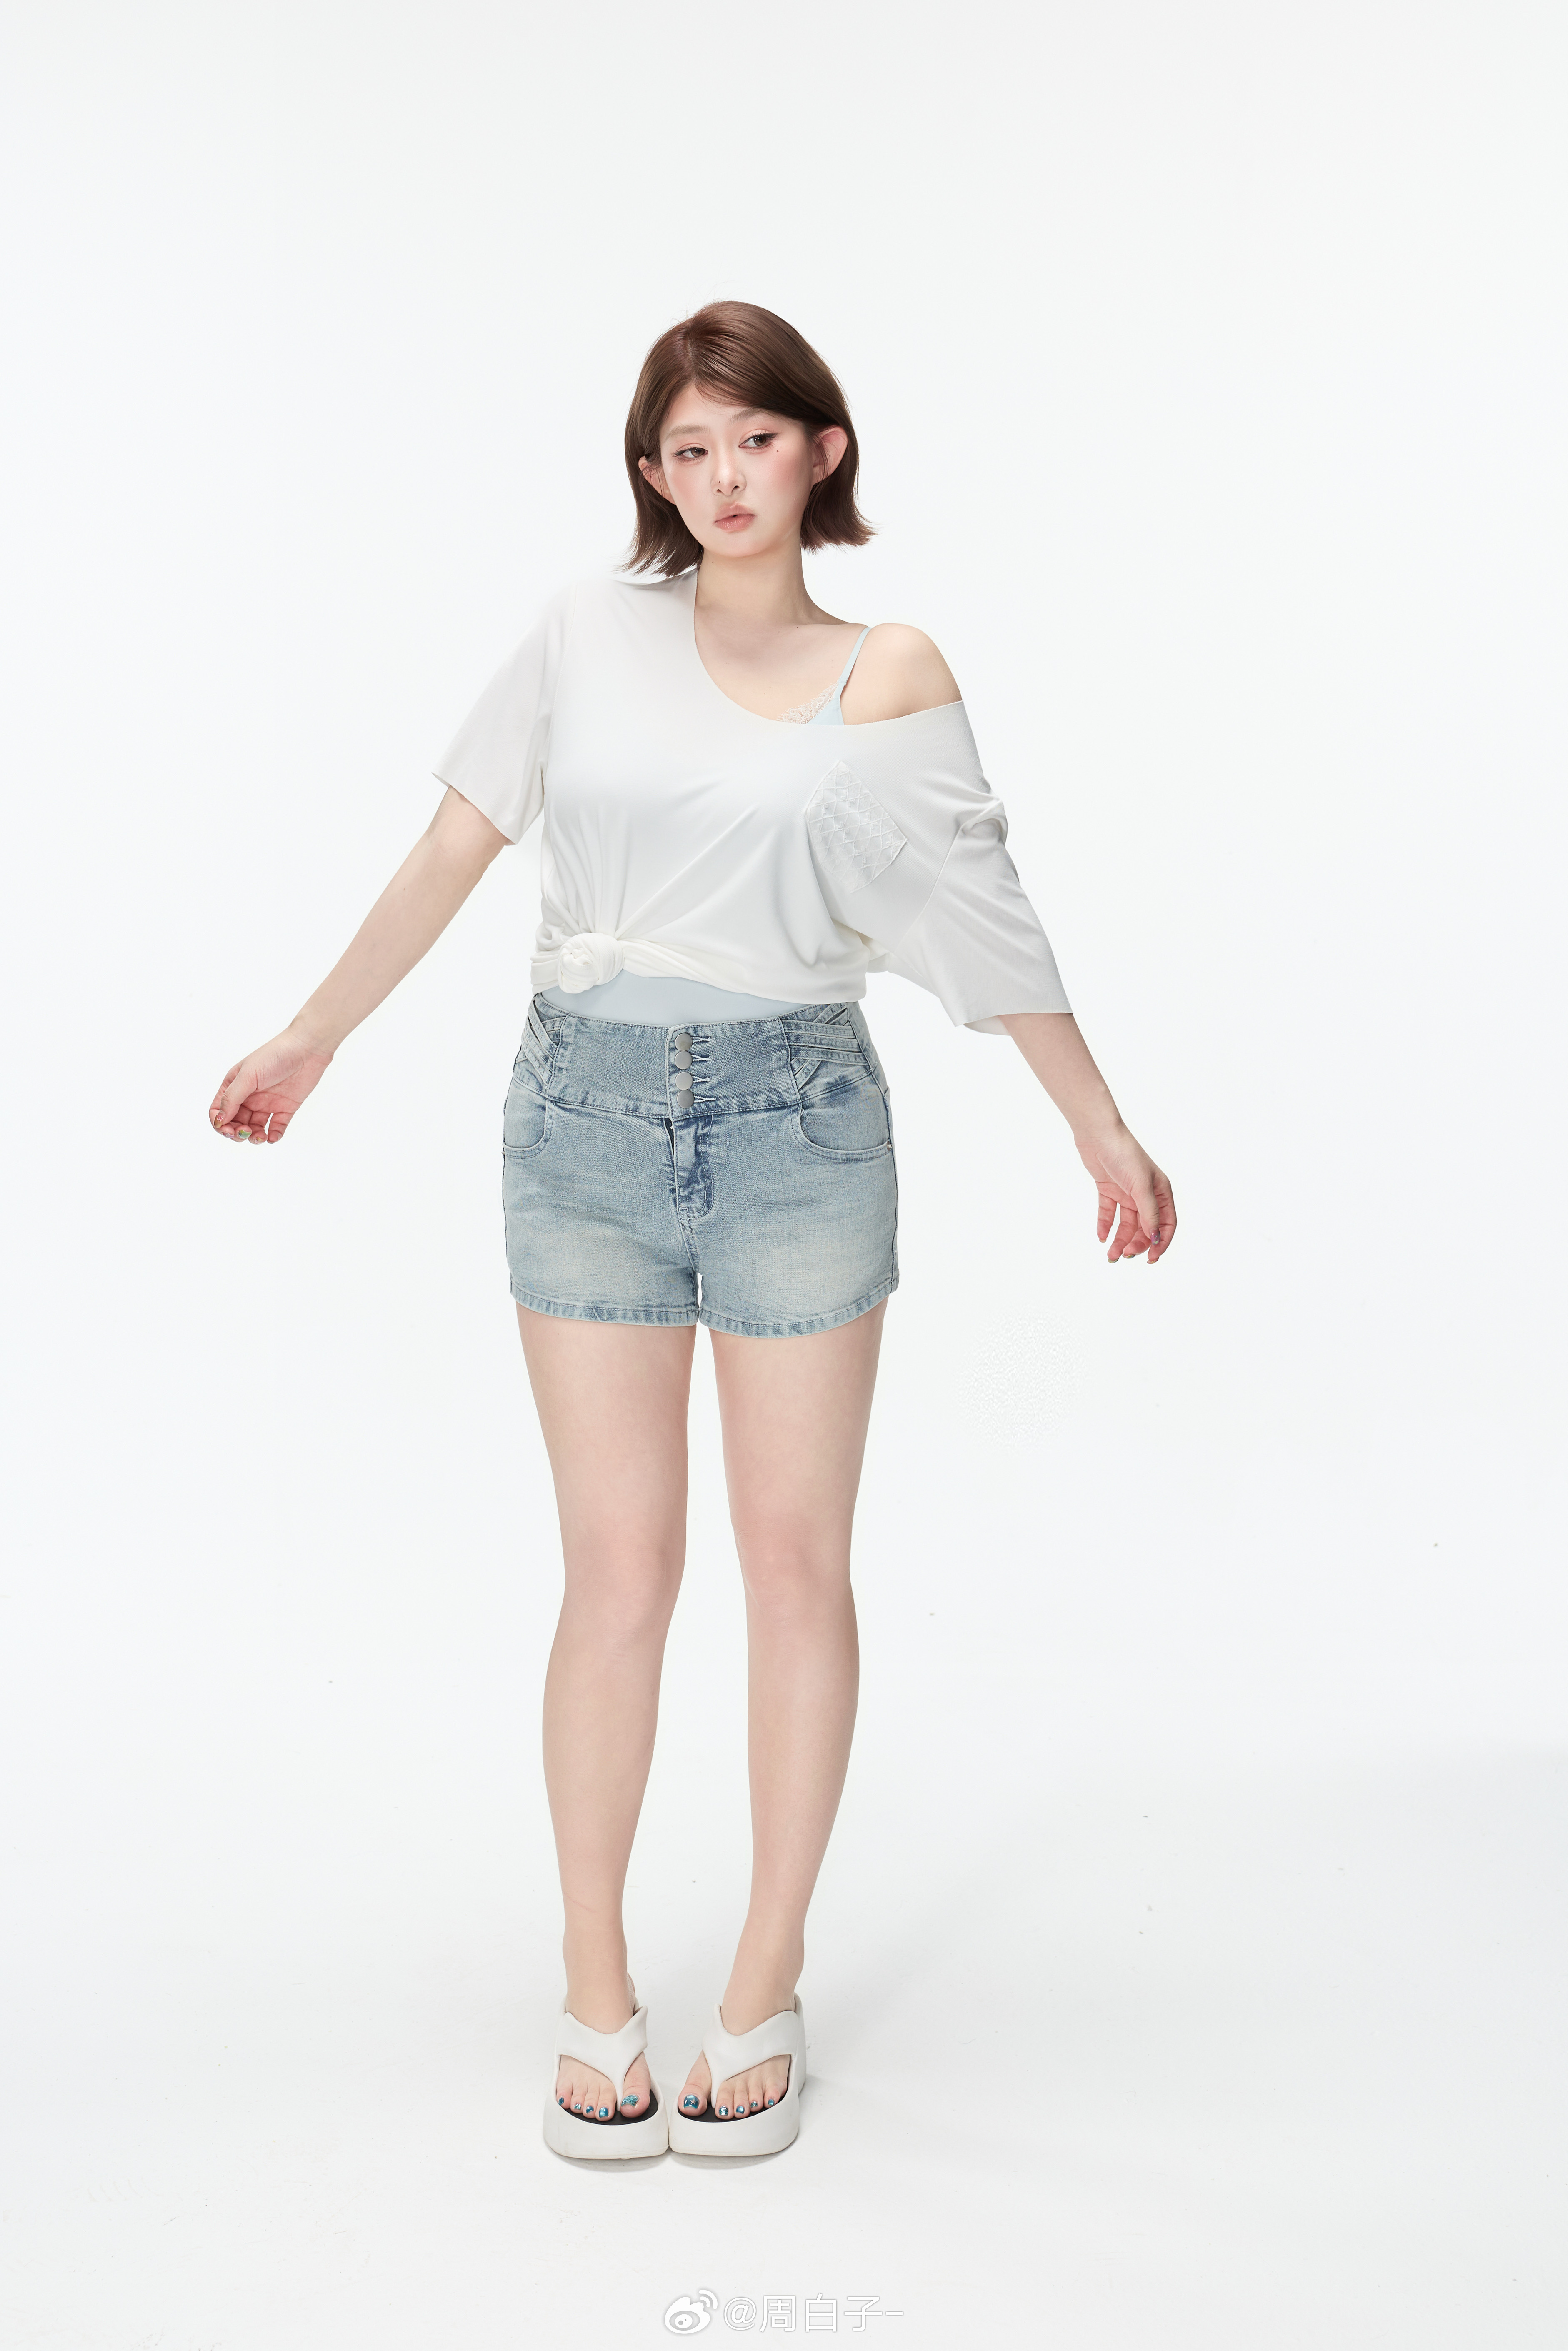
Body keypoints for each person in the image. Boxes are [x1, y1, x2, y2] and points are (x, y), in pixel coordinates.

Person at [208, 300, 1176, 2161]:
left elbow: (984, 910)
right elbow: (455, 845)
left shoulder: (883, 669)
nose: (721, 477)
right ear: (651, 474)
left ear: (821, 448)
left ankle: (761, 1975)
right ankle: (594, 1981)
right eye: (685, 448)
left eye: (753, 438)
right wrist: (313, 1036)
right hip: (577, 1114)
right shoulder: (586, 629)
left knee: (794, 1565)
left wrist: (1095, 1119)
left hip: (796, 1117)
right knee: (618, 1571)